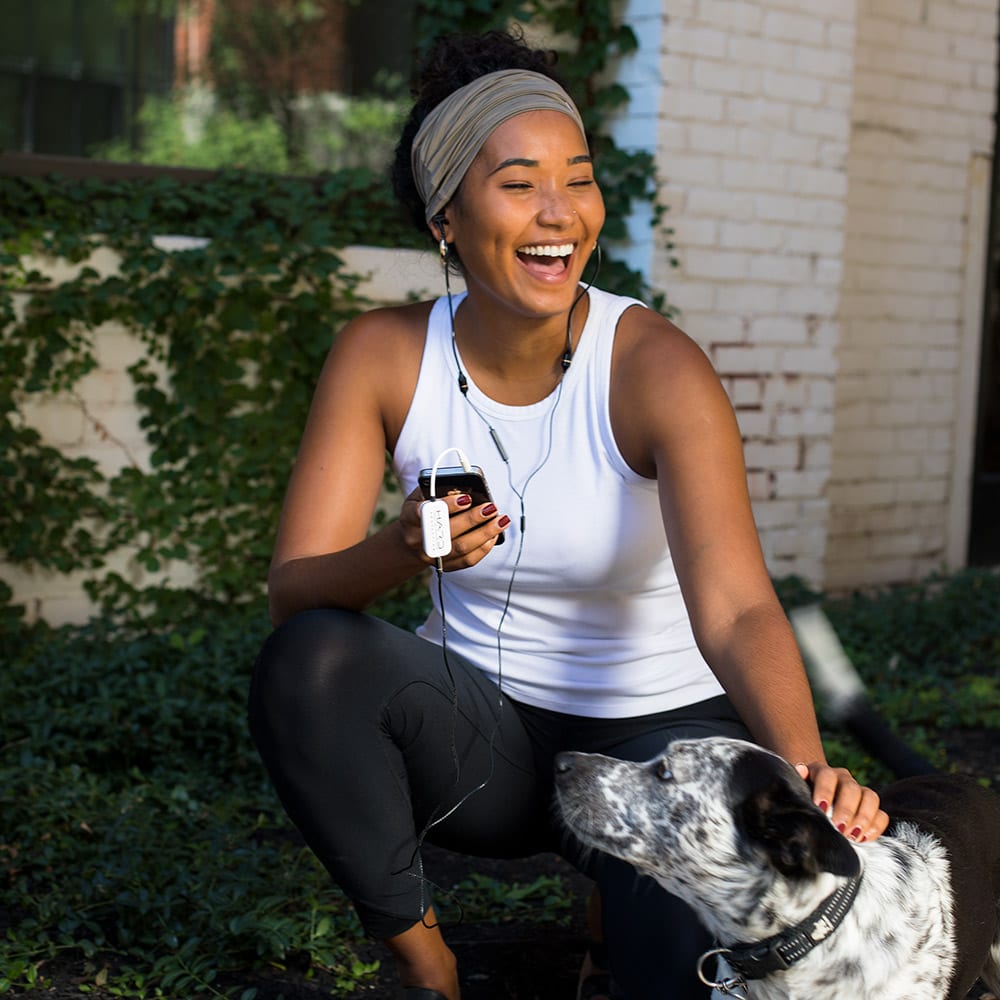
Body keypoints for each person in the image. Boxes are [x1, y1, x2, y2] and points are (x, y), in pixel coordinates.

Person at [248, 27, 888, 1000]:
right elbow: (296, 595)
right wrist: (403, 542)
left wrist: (804, 764)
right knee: (313, 660)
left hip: (659, 747)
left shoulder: (653, 367)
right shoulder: (382, 354)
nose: (560, 213)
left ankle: (619, 898)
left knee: (677, 978)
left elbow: (738, 606)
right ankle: (428, 967)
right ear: (445, 217)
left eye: (577, 178)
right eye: (517, 183)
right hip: (488, 746)